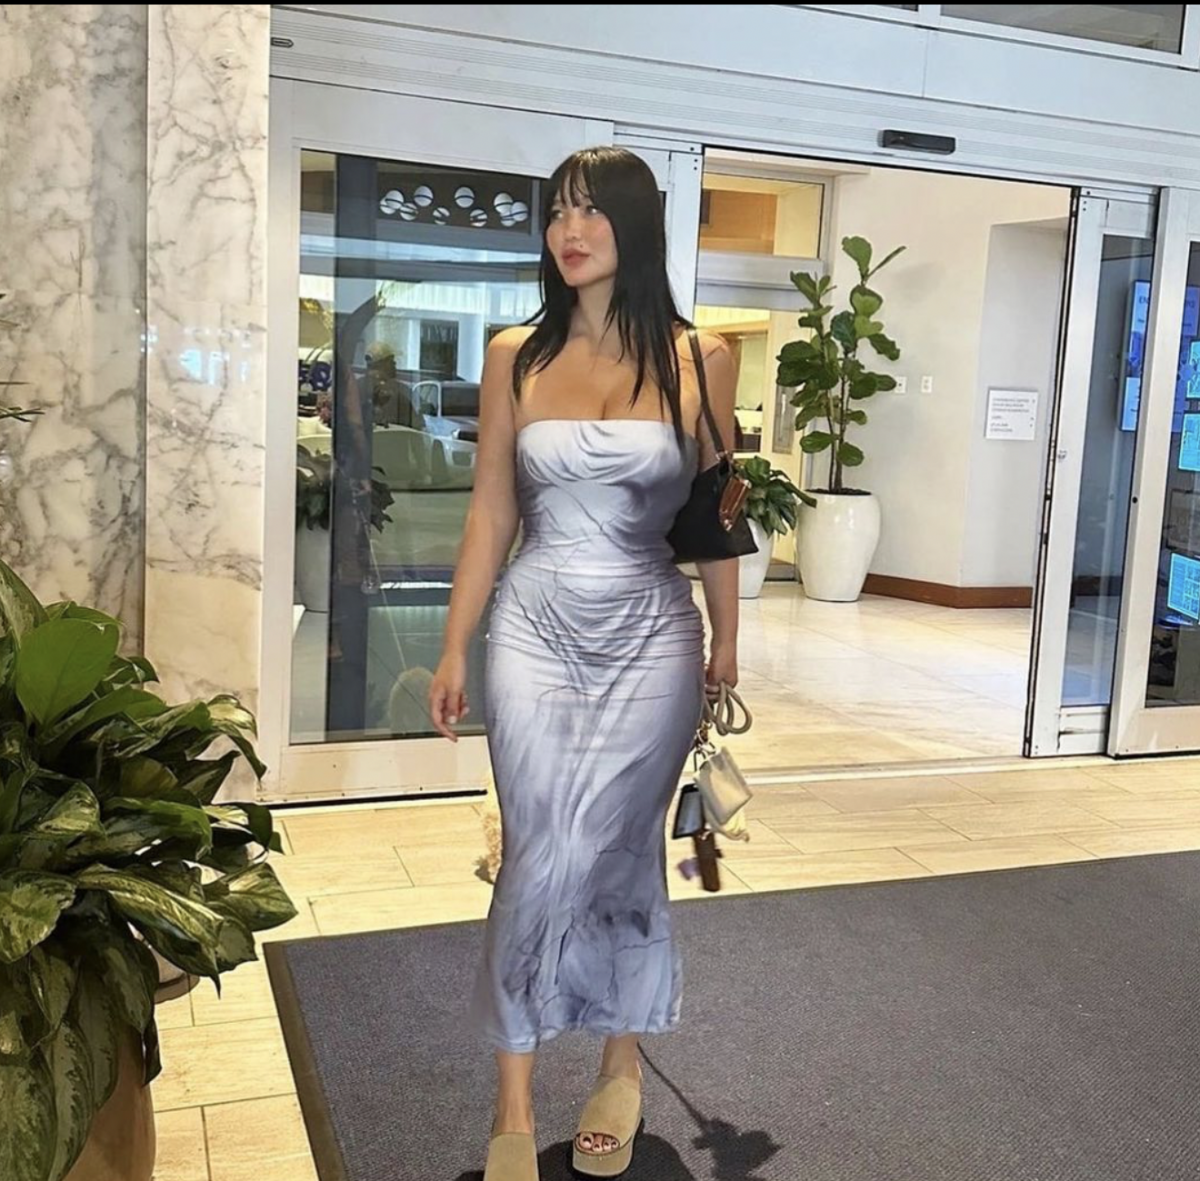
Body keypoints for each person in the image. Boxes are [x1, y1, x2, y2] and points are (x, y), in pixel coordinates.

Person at [428, 146, 739, 1181]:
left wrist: (728, 639)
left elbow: (717, 515)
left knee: (620, 848)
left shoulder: (702, 358)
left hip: (653, 631)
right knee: (536, 850)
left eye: (592, 212)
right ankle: (513, 1100)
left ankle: (619, 1060)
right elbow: (491, 508)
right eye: (558, 212)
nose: (570, 230)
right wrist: (453, 641)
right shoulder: (515, 353)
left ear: (634, 226)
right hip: (534, 624)